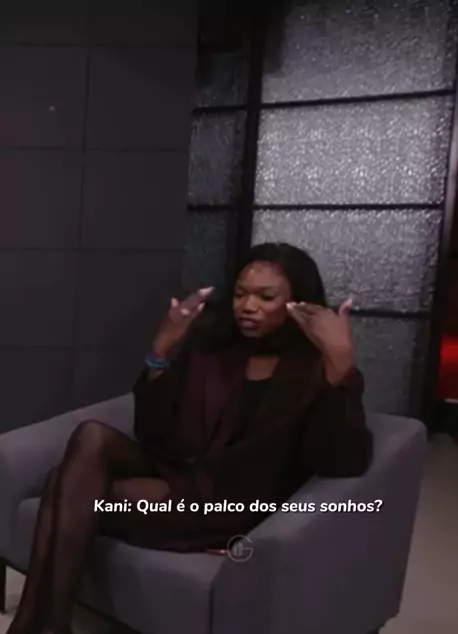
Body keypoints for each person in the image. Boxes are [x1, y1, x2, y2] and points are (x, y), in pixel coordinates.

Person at [7, 242, 373, 634]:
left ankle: (36, 625)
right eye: (240, 293)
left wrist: (340, 367)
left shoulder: (315, 370)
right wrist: (161, 350)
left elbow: (341, 460)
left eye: (266, 297)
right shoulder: (214, 351)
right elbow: (155, 432)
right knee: (91, 437)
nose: (247, 306)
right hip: (183, 471)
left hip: (230, 502)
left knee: (66, 487)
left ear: (298, 303)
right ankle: (47, 626)